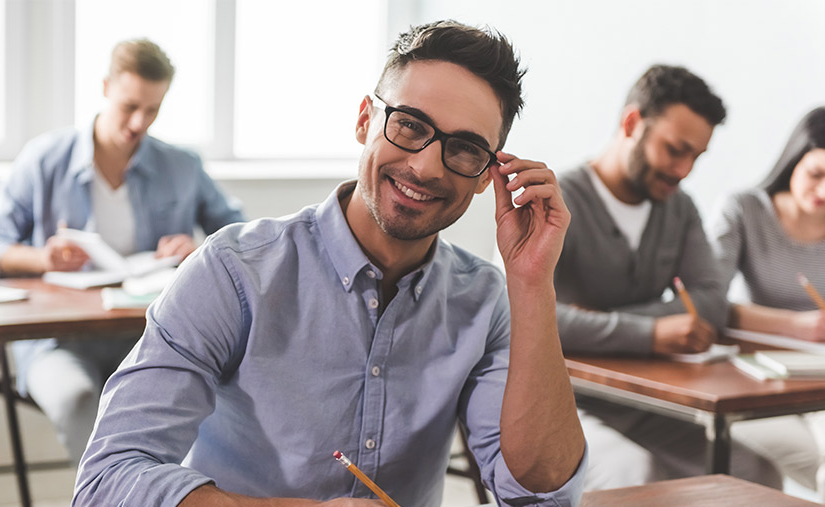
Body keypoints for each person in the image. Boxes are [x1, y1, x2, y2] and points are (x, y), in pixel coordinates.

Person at [74, 20, 586, 506]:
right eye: (409, 125)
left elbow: (540, 495)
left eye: (466, 149)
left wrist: (533, 280)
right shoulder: (234, 272)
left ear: (485, 175)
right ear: (366, 120)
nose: (426, 166)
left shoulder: (485, 301)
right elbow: (107, 481)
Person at [0, 39, 245, 464]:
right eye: (129, 106)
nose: (138, 123)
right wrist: (41, 259)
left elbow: (241, 237)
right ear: (105, 87)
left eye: (152, 111)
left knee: (202, 403)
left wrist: (199, 248)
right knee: (78, 399)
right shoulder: (44, 160)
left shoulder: (181, 166)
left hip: (152, 335)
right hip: (57, 342)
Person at [553, 64, 781, 490]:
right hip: (559, 399)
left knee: (760, 475)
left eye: (696, 156)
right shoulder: (556, 201)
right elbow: (531, 319)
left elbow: (711, 299)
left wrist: (598, 320)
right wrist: (651, 333)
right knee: (637, 475)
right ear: (632, 123)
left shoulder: (679, 208)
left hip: (641, 403)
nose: (684, 170)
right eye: (676, 149)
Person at [711, 106, 825, 499]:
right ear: (793, 159)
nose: (824, 191)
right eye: (816, 174)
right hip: (757, 377)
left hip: (820, 382)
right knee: (811, 465)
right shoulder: (744, 209)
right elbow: (705, 304)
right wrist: (799, 326)